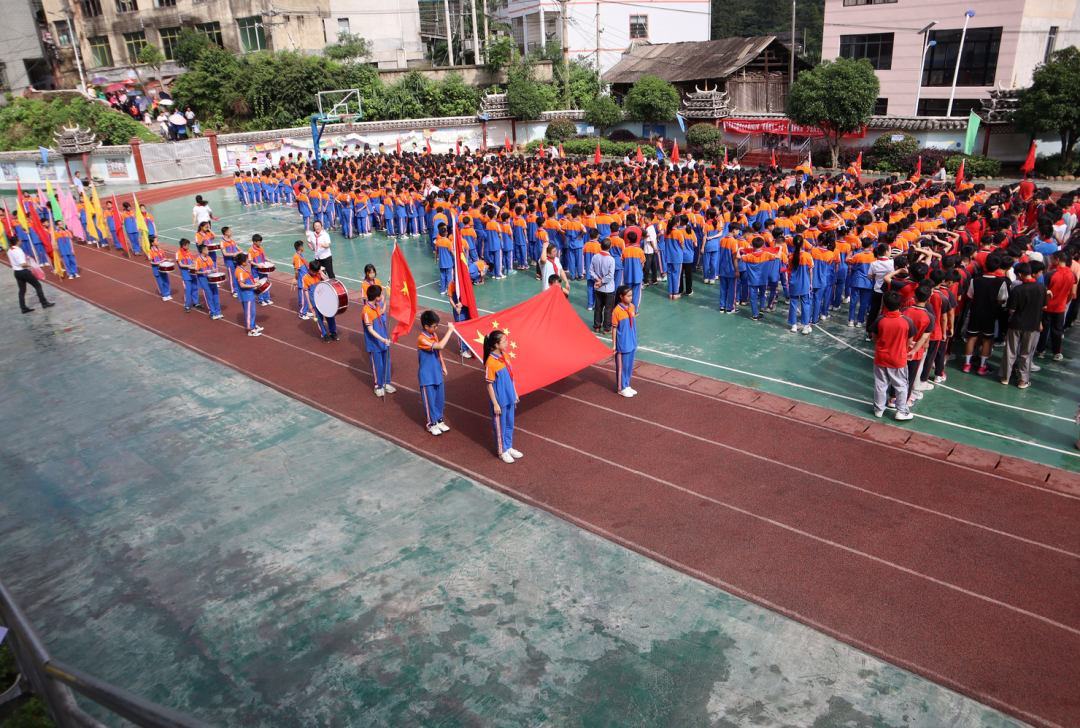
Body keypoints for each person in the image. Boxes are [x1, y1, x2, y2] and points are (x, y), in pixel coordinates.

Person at [867, 291, 915, 421]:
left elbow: (875, 337)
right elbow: (909, 339)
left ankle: (878, 409)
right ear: (900, 304)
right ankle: (901, 411)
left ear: (886, 305)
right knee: (901, 386)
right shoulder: (907, 321)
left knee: (880, 384)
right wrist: (902, 348)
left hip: (881, 357)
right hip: (898, 358)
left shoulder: (880, 320)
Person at [999, 262, 1046, 388]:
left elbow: (1012, 309)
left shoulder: (1018, 289)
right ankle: (1023, 380)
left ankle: (1005, 376)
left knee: (1010, 351)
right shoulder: (1041, 288)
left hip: (1016, 324)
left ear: (1020, 274)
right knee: (1026, 353)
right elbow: (1044, 306)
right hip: (1032, 325)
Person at [484, 330, 521, 463]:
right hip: (500, 401)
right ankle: (501, 451)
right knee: (500, 426)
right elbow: (489, 385)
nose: (507, 343)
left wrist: (514, 392)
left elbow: (511, 377)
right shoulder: (490, 362)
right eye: (504, 341)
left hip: (509, 397)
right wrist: (495, 404)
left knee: (510, 424)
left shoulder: (505, 356)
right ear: (495, 345)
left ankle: (508, 446)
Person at [418, 310, 456, 436]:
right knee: (430, 400)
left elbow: (438, 353)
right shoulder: (422, 339)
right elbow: (439, 346)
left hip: (437, 372)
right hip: (427, 376)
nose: (436, 328)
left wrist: (443, 366)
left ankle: (439, 420)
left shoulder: (433, 335)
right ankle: (431, 423)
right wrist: (449, 331)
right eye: (434, 326)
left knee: (440, 399)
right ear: (426, 326)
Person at [1037, 250, 1076, 362]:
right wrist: (1065, 302)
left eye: (1053, 259)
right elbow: (1072, 293)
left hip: (1047, 307)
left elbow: (1044, 291)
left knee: (1044, 329)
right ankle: (1057, 353)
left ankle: (1041, 351)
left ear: (1057, 260)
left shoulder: (1049, 274)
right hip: (1060, 307)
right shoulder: (1072, 274)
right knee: (1058, 330)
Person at [363, 284, 394, 396]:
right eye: (380, 294)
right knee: (378, 365)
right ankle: (378, 386)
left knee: (386, 363)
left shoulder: (376, 305)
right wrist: (382, 339)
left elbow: (383, 308)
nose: (381, 296)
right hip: (375, 343)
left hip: (384, 339)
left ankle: (387, 383)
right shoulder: (367, 311)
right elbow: (370, 330)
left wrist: (387, 294)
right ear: (376, 297)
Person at [8, 237, 54, 313]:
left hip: (17, 272)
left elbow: (16, 259)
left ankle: (23, 307)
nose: (21, 241)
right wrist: (30, 265)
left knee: (22, 290)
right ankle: (44, 303)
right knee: (37, 285)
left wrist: (26, 257)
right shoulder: (18, 251)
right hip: (24, 272)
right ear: (17, 242)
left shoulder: (10, 250)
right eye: (19, 240)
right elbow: (22, 264)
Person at [611, 285, 638, 397]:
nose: (631, 298)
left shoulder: (631, 307)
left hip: (631, 341)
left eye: (631, 295)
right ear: (621, 297)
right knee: (622, 366)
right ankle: (621, 388)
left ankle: (626, 384)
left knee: (629, 365)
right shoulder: (616, 311)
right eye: (628, 296)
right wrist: (614, 344)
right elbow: (614, 328)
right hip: (623, 343)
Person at [303, 260, 337, 342]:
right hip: (315, 302)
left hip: (324, 300)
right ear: (310, 269)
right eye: (314, 271)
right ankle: (324, 335)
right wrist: (309, 304)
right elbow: (306, 291)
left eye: (317, 271)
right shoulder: (305, 278)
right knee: (319, 320)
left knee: (330, 316)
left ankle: (333, 333)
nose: (315, 273)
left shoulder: (319, 273)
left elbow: (327, 281)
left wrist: (323, 277)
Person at [590, 238, 616, 333]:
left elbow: (591, 271)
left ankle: (597, 326)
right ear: (610, 247)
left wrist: (598, 280)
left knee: (598, 307)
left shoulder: (595, 257)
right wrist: (603, 281)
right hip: (608, 288)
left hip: (598, 288)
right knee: (608, 309)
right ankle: (607, 328)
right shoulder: (611, 259)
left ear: (600, 246)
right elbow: (610, 275)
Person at [233, 253, 262, 336]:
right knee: (249, 312)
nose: (247, 261)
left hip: (250, 294)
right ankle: (251, 330)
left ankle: (253, 325)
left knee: (252, 312)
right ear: (243, 262)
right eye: (246, 260)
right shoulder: (240, 272)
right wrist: (255, 285)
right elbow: (242, 285)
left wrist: (254, 280)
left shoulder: (242, 269)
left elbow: (247, 280)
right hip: (247, 295)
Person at [194, 243, 223, 320]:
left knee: (216, 295)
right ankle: (213, 313)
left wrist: (213, 269)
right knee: (209, 297)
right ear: (203, 251)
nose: (208, 250)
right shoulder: (198, 260)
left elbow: (212, 266)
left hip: (212, 279)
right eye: (207, 249)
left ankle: (218, 311)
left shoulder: (209, 258)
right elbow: (196, 271)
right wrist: (204, 272)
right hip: (204, 281)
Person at [176, 238, 199, 312]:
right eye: (187, 245)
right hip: (186, 275)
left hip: (192, 274)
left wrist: (194, 263)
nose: (188, 246)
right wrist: (190, 266)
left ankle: (195, 303)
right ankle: (187, 305)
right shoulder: (178, 253)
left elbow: (193, 259)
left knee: (195, 288)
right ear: (183, 246)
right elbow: (180, 264)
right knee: (188, 290)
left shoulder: (188, 252)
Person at [292, 240, 312, 320]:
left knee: (306, 296)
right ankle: (302, 313)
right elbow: (297, 271)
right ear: (300, 248)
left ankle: (306, 310)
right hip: (302, 281)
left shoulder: (300, 255)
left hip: (305, 280)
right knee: (303, 297)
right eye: (303, 246)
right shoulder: (297, 258)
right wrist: (296, 279)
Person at [147, 236, 172, 301]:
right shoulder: (150, 252)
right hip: (157, 270)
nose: (158, 242)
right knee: (160, 283)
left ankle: (168, 294)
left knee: (166, 281)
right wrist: (156, 263)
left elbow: (163, 257)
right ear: (152, 243)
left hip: (163, 268)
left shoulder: (160, 249)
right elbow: (150, 261)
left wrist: (167, 259)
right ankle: (164, 295)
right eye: (156, 241)